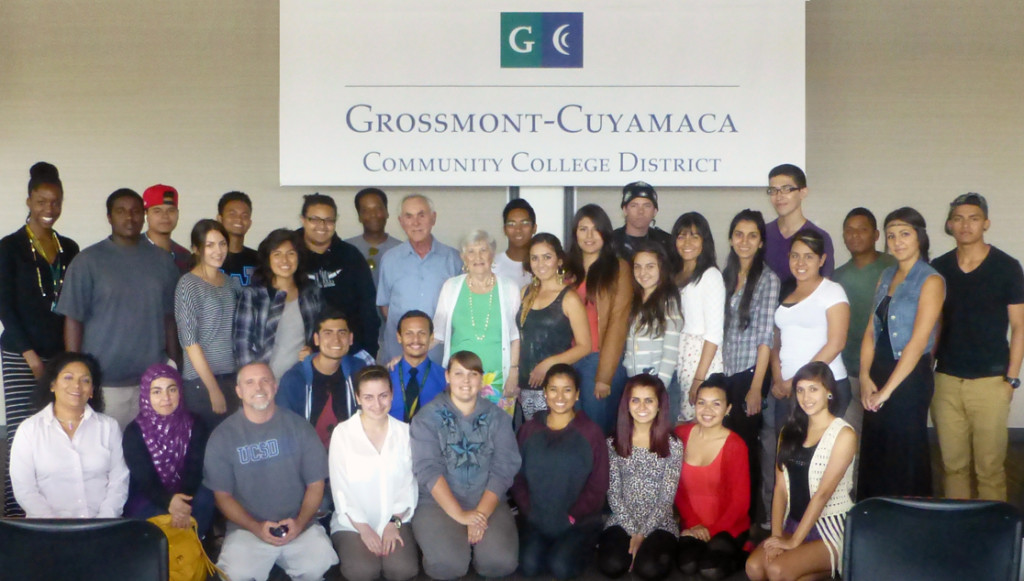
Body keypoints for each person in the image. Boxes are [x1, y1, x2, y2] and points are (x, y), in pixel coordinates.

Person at [56, 188, 180, 430]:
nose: (129, 218)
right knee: (105, 455)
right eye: (121, 211)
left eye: (135, 211)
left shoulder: (163, 261)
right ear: (109, 217)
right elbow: (73, 319)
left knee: (151, 455)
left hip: (153, 380)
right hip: (105, 382)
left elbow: (169, 319)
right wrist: (76, 371)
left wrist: (175, 365)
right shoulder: (88, 261)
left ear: (143, 216)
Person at [203, 362, 338, 580]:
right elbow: (222, 496)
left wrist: (300, 523)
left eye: (265, 380)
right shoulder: (222, 436)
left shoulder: (300, 427)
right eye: (250, 382)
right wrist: (255, 527)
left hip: (298, 525)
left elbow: (316, 484)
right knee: (235, 574)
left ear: (275, 387)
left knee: (319, 564)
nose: (258, 388)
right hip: (247, 530)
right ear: (238, 391)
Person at [932, 193, 1024, 501]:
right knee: (952, 466)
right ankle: (957, 532)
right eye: (958, 218)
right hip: (946, 379)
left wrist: (1011, 379)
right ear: (949, 224)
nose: (965, 225)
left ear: (985, 223)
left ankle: (992, 536)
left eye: (973, 218)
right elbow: (933, 325)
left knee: (990, 468)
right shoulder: (939, 268)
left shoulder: (1007, 267)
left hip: (990, 382)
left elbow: (1020, 325)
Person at [0, 161, 80, 516]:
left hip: (61, 357)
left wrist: (69, 359)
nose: (49, 209)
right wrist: (32, 358)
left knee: (59, 433)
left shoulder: (70, 248)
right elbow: (5, 306)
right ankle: (17, 515)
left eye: (56, 202)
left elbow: (74, 308)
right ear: (29, 201)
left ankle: (54, 510)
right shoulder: (9, 246)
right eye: (42, 201)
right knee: (21, 434)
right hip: (21, 355)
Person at [410, 351, 521, 580]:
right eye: (458, 373)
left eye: (473, 374)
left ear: (482, 379)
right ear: (448, 377)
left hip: (486, 498)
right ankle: (454, 544)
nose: (466, 381)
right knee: (448, 566)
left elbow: (504, 468)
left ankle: (476, 547)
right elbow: (428, 470)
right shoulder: (426, 418)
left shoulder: (498, 418)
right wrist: (461, 516)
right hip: (436, 503)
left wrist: (479, 515)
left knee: (500, 563)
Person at [858, 207, 944, 499]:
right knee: (876, 446)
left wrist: (886, 391)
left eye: (905, 234)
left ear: (919, 236)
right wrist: (865, 376)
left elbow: (919, 342)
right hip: (879, 370)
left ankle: (908, 521)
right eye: (892, 235)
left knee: (903, 450)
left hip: (908, 379)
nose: (897, 241)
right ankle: (876, 517)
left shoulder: (931, 280)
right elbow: (871, 329)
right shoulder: (886, 275)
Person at [746, 362, 856, 581]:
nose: (806, 397)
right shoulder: (789, 431)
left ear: (829, 393)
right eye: (800, 390)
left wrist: (794, 541)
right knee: (754, 566)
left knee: (778, 570)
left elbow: (823, 494)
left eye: (813, 389)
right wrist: (777, 537)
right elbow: (780, 490)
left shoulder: (844, 434)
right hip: (793, 523)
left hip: (830, 529)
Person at [511, 364, 609, 580]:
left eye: (567, 389)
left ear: (577, 395)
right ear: (545, 394)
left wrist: (573, 517)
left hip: (576, 521)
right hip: (538, 518)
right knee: (528, 565)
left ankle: (576, 548)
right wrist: (530, 511)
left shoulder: (591, 433)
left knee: (561, 567)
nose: (560, 396)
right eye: (553, 389)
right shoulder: (529, 430)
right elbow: (517, 478)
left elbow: (598, 485)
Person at [10, 352, 129, 518]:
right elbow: (24, 489)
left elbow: (119, 481)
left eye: (85, 380)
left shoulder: (109, 427)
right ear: (52, 385)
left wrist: (103, 522)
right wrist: (56, 527)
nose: (77, 386)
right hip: (48, 531)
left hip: (101, 527)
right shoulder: (28, 430)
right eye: (68, 377)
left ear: (92, 390)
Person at [329, 366, 419, 581]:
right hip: (352, 522)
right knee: (362, 571)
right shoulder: (343, 434)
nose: (377, 404)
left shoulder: (405, 433)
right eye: (368, 397)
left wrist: (392, 523)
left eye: (383, 396)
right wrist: (364, 529)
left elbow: (409, 484)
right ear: (357, 397)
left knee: (402, 570)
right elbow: (341, 490)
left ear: (392, 395)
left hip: (395, 519)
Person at [720, 210, 780, 526]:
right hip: (723, 373)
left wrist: (757, 387)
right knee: (725, 448)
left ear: (760, 242)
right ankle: (723, 514)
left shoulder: (768, 280)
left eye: (752, 235)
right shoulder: (724, 275)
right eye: (739, 234)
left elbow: (765, 337)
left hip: (748, 374)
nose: (744, 241)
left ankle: (746, 519)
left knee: (745, 451)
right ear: (731, 238)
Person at [597, 374, 683, 581]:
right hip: (622, 518)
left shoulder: (673, 445)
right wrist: (632, 530)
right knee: (611, 565)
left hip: (659, 522)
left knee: (649, 570)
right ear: (626, 404)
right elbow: (614, 494)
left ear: (659, 405)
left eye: (649, 400)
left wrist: (642, 533)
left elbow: (666, 499)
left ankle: (648, 551)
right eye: (635, 400)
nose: (642, 406)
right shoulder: (613, 442)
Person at [433, 230, 522, 413]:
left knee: (496, 435)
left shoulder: (509, 288)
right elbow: (438, 334)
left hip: (499, 377)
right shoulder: (451, 287)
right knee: (461, 433)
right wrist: (407, 356)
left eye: (483, 250)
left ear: (492, 254)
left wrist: (513, 371)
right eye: (471, 251)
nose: (478, 257)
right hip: (460, 378)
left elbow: (516, 336)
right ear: (463, 257)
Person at [123, 364, 215, 537]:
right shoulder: (134, 431)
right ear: (146, 395)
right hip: (150, 494)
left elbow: (195, 468)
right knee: (155, 523)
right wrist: (169, 502)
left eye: (171, 390)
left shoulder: (195, 424)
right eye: (156, 391)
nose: (166, 397)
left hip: (187, 491)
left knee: (205, 497)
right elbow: (144, 478)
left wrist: (181, 504)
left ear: (180, 391)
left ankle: (195, 550)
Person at [674, 377, 750, 580]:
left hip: (727, 526)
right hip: (693, 524)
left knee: (710, 569)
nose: (707, 410)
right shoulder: (680, 435)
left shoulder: (735, 445)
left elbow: (740, 503)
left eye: (716, 404)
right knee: (687, 565)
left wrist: (710, 530)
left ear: (728, 409)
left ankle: (745, 554)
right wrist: (693, 525)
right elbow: (676, 488)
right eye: (702, 402)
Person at [565, 204, 632, 435]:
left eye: (596, 229)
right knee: (573, 433)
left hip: (598, 361)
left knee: (596, 435)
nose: (589, 236)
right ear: (575, 233)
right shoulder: (567, 272)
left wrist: (604, 376)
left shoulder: (618, 268)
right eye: (583, 229)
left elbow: (618, 322)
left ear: (605, 232)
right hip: (569, 361)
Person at [377, 194, 462, 362]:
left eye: (421, 215)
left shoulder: (454, 258)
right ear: (401, 221)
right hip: (398, 356)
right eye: (409, 216)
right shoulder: (390, 259)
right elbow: (386, 307)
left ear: (433, 218)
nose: (415, 223)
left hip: (441, 356)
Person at [832, 208, 896, 434]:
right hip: (849, 371)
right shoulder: (836, 277)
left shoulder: (893, 267)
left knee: (885, 437)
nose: (855, 235)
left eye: (862, 230)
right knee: (850, 437)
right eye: (849, 230)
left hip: (886, 370)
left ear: (876, 235)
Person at [175, 219, 241, 432]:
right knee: (206, 449)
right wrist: (212, 389)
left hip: (230, 378)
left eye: (222, 243)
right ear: (196, 249)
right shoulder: (188, 284)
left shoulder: (229, 282)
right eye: (210, 245)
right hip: (201, 384)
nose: (218, 250)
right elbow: (190, 342)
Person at [516, 233, 591, 419]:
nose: (540, 264)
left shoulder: (569, 298)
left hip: (555, 386)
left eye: (547, 257)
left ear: (559, 260)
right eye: (535, 258)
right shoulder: (524, 292)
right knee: (531, 439)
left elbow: (585, 346)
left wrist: (548, 364)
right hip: (525, 385)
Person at [234, 228, 323, 381]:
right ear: (268, 259)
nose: (284, 260)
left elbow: (321, 335)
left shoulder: (311, 293)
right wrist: (256, 381)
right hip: (264, 382)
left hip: (300, 380)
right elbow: (242, 345)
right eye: (277, 254)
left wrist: (314, 352)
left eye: (291, 253)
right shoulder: (253, 295)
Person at [276, 311, 374, 448]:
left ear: (350, 338)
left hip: (351, 453)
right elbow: (284, 429)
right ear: (316, 339)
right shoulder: (294, 379)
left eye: (342, 333)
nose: (336, 340)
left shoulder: (359, 369)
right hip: (309, 457)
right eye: (328, 333)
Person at [300, 193, 380, 358]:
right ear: (303, 220)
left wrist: (369, 351)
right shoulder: (290, 254)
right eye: (315, 219)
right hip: (301, 354)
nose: (322, 226)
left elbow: (368, 307)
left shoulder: (350, 255)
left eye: (329, 220)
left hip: (349, 352)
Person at [672, 212, 725, 423]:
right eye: (682, 236)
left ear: (705, 241)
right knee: (680, 424)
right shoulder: (673, 274)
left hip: (701, 358)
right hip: (679, 354)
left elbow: (714, 333)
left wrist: (699, 378)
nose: (687, 242)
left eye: (695, 236)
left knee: (700, 421)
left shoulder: (710, 275)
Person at [624, 241, 682, 406]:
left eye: (650, 266)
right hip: (636, 384)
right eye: (637, 267)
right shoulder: (634, 299)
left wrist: (658, 390)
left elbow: (670, 353)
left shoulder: (668, 301)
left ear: (661, 268)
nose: (643, 273)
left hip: (660, 385)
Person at [763, 164, 835, 293]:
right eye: (773, 190)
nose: (779, 196)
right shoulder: (762, 233)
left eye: (786, 189)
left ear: (803, 192)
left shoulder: (820, 237)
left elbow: (824, 290)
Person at [389, 310, 447, 421]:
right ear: (399, 337)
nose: (415, 340)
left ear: (431, 337)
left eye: (422, 333)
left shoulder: (445, 378)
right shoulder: (386, 376)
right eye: (408, 333)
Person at [344, 187, 402, 288]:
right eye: (366, 210)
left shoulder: (402, 249)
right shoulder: (345, 249)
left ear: (386, 212)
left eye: (378, 209)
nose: (373, 215)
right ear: (359, 217)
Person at [611, 181, 675, 267]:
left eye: (646, 206)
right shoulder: (610, 242)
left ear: (655, 211)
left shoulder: (666, 243)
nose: (640, 211)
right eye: (634, 205)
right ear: (625, 210)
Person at [142, 184, 192, 274]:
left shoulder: (184, 256)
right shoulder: (132, 249)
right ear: (146, 214)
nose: (165, 216)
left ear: (178, 214)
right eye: (157, 211)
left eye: (171, 210)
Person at [217, 191, 259, 287]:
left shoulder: (259, 259)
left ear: (249, 223)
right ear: (220, 219)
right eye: (232, 214)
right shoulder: (207, 257)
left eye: (244, 216)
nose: (239, 219)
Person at [493, 199, 537, 289]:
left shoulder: (543, 264)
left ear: (534, 228)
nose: (518, 229)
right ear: (504, 229)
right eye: (511, 224)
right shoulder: (492, 265)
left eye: (525, 223)